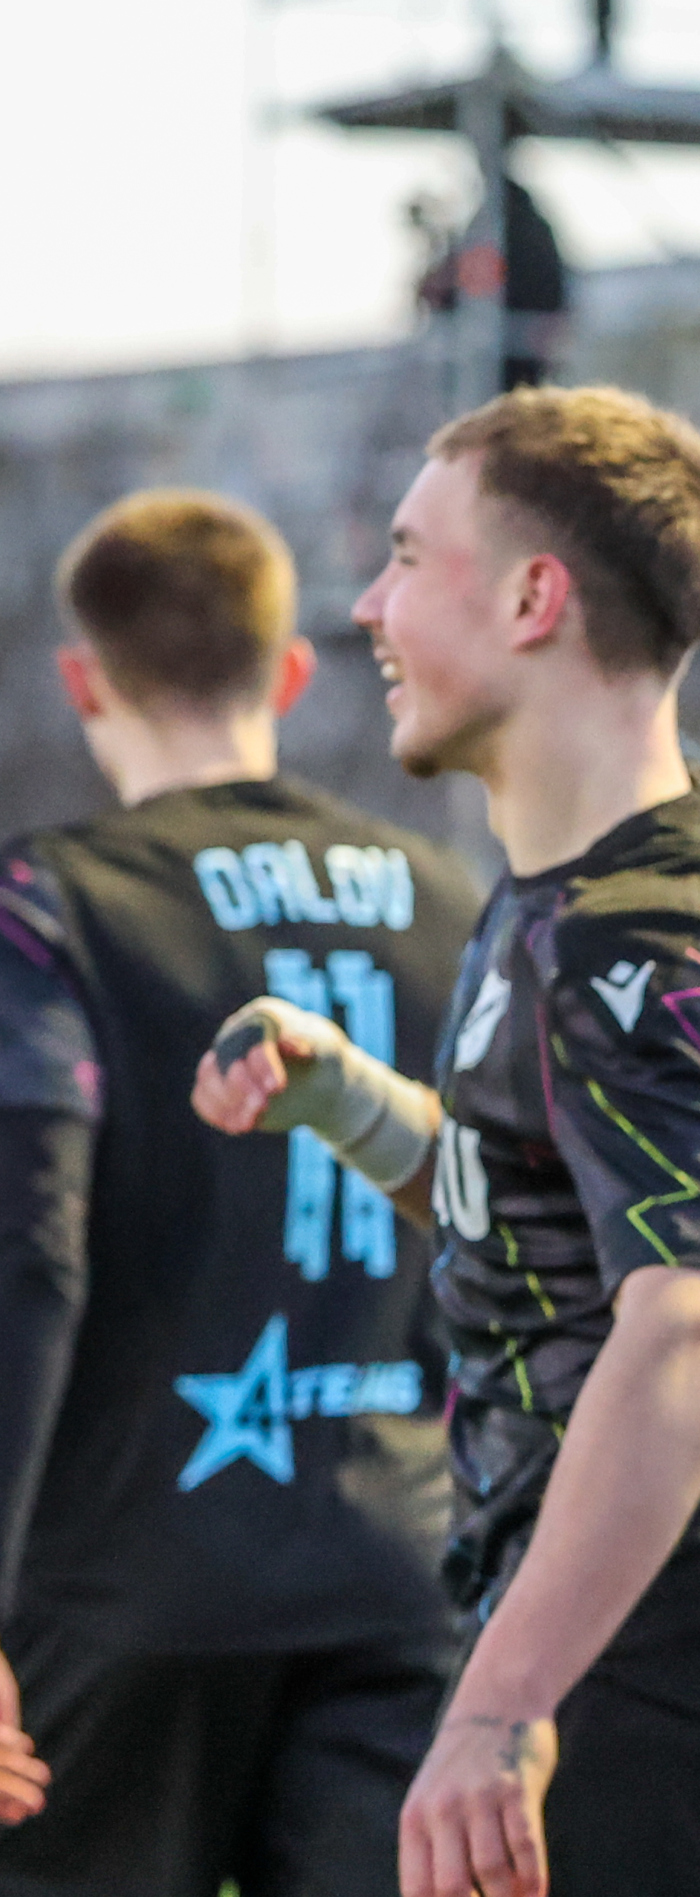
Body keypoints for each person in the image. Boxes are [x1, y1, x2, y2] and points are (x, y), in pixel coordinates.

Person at [191, 387, 700, 1897]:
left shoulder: (635, 937)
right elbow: (561, 1219)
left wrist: (500, 1705)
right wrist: (345, 1099)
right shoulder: (681, 864)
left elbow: (686, 1322)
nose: (368, 605)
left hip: (646, 1685)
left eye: (405, 556)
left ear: (532, 598)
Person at [0, 490, 483, 1895]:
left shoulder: (49, 903)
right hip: (397, 1573)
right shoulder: (448, 900)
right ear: (290, 671)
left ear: (83, 680)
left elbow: (27, 1254)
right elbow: (511, 1233)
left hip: (120, 1586)